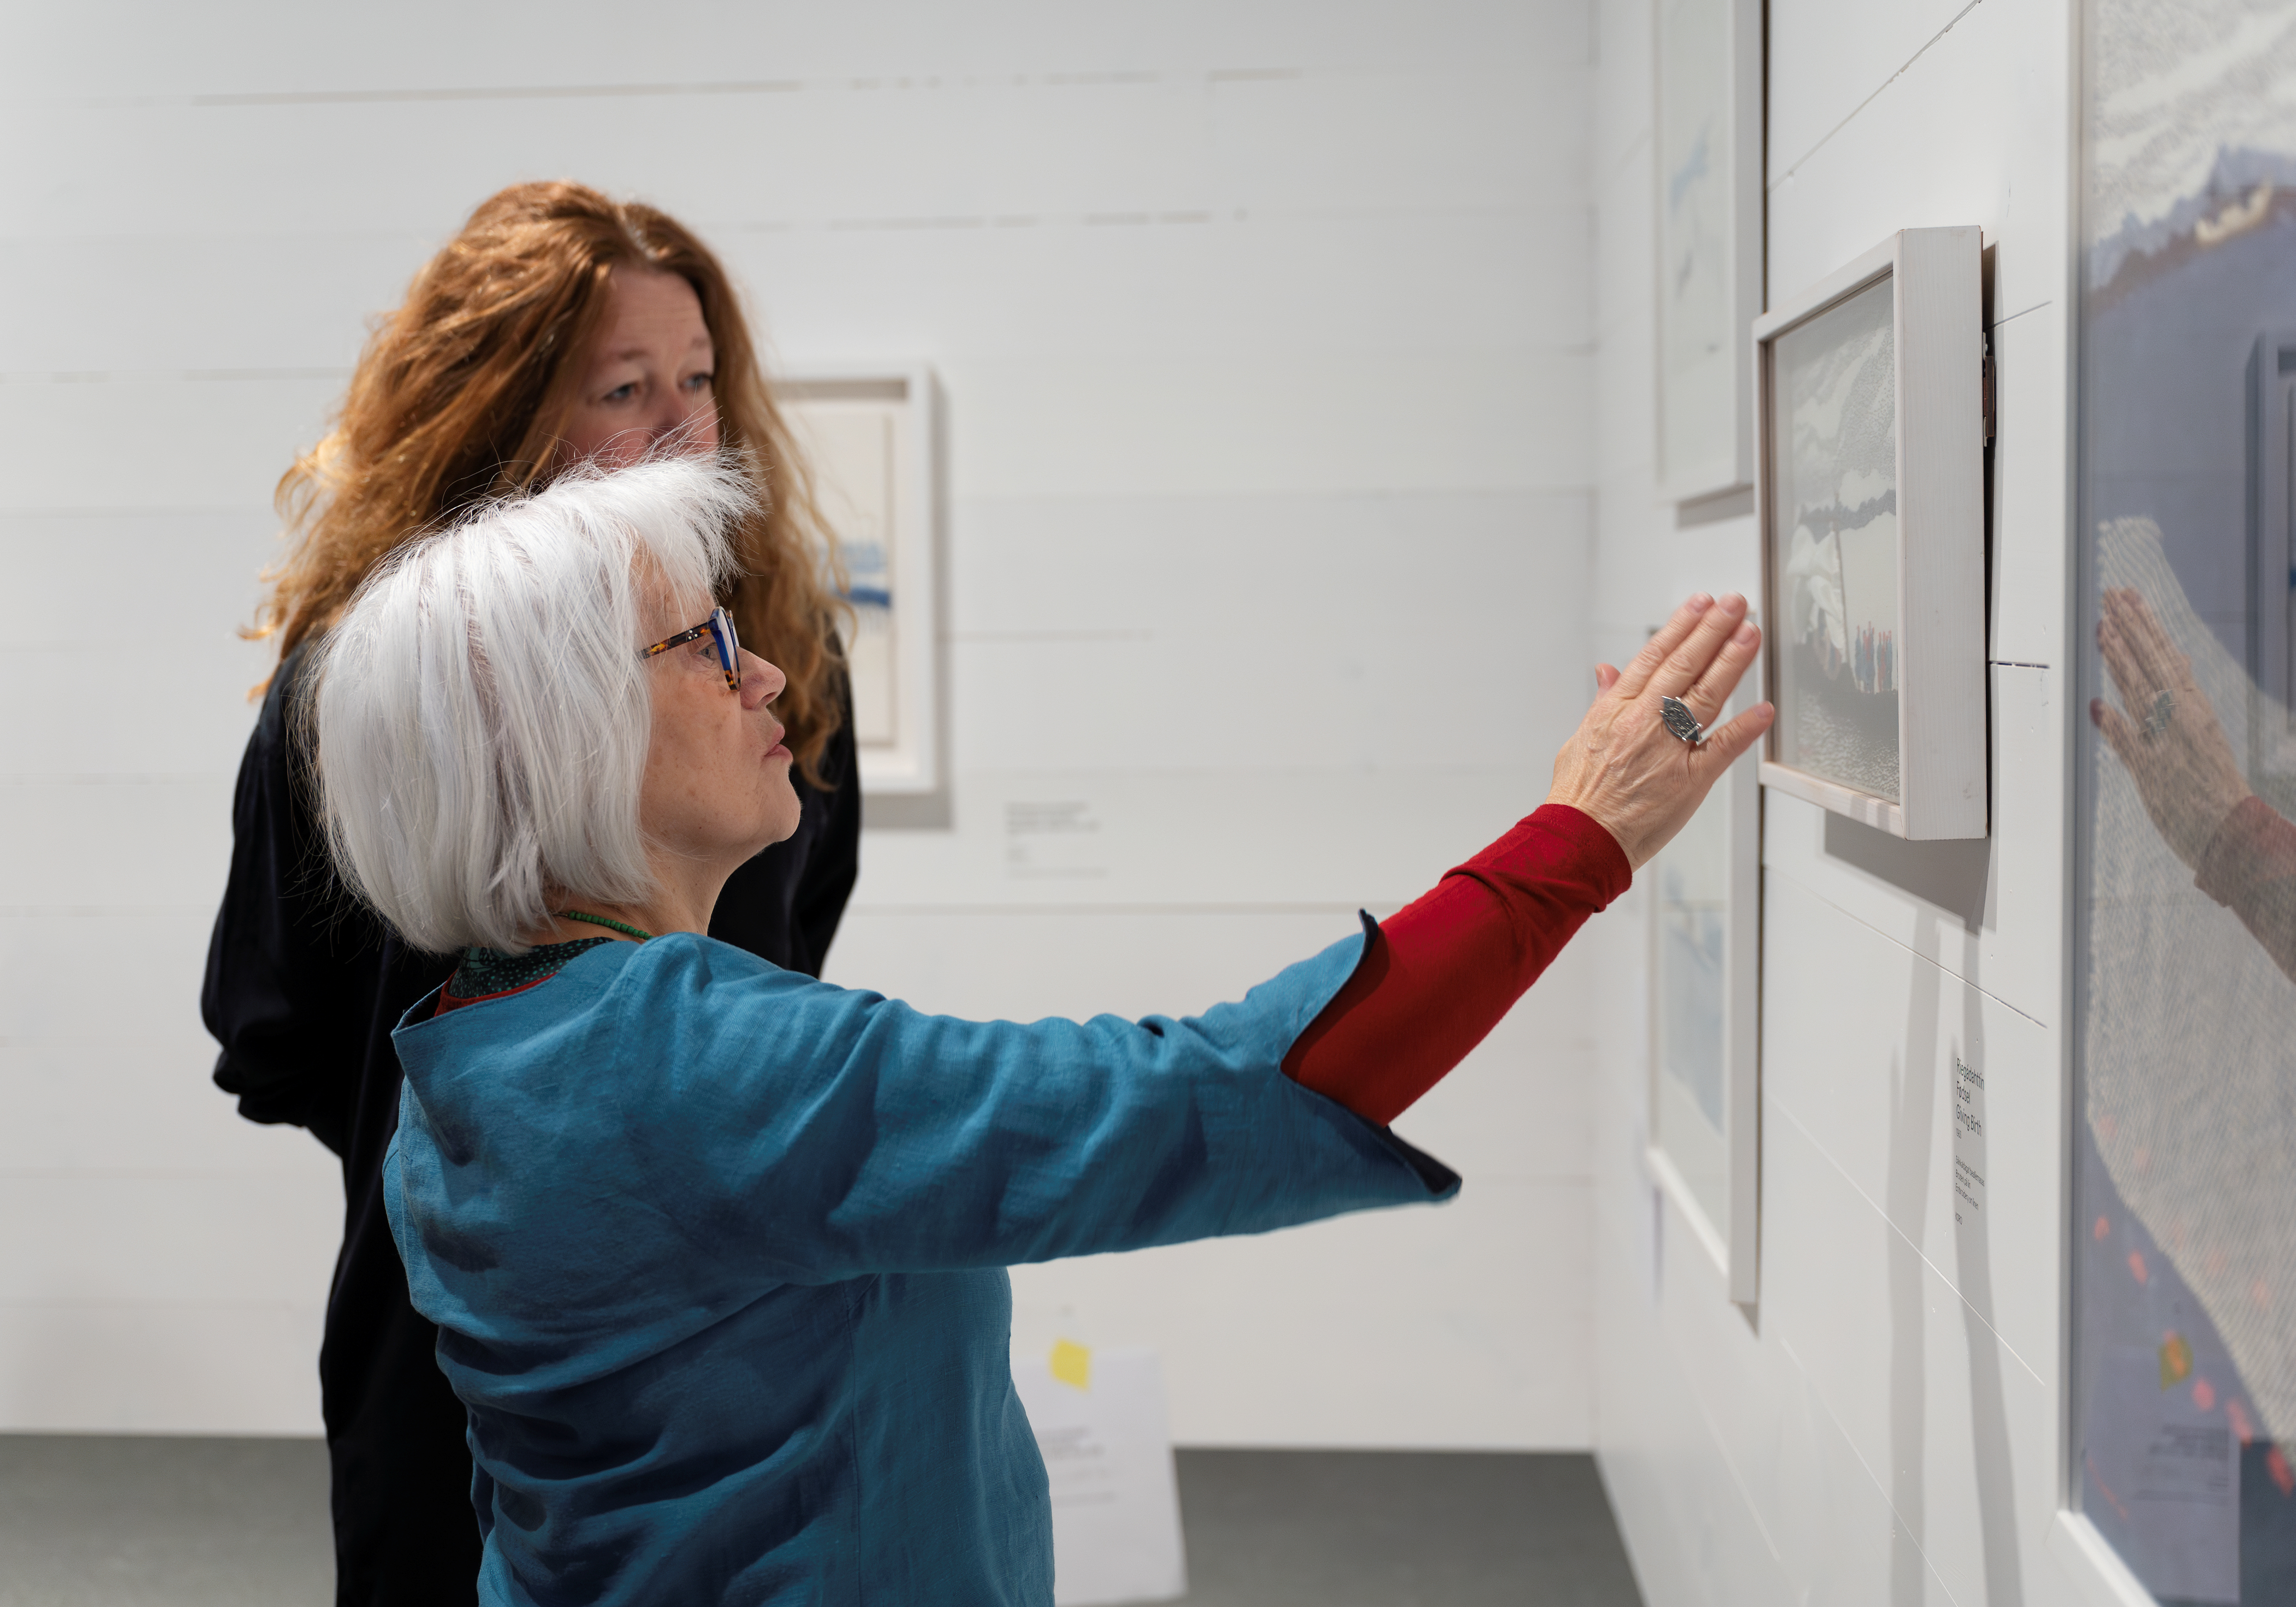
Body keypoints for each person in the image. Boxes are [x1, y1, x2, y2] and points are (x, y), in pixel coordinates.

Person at [303, 453, 1770, 1604]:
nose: (766, 677)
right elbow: (1206, 1094)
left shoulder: (467, 1047)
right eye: (703, 644)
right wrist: (1579, 838)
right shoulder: (686, 1064)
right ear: (568, 734)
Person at [199, 183, 861, 1606]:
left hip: (736, 1317)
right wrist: (496, 1143)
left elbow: (793, 948)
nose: (682, 426)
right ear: (499, 413)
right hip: (456, 1332)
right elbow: (278, 1025)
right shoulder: (359, 686)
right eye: (625, 389)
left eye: (700, 381)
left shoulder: (783, 658)